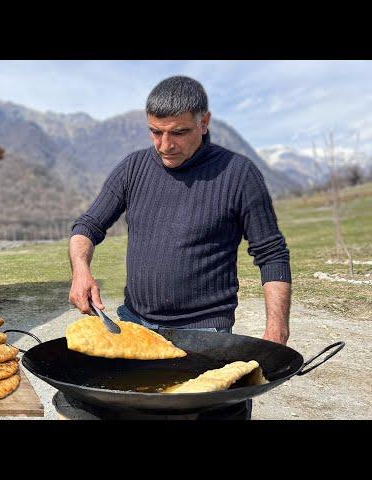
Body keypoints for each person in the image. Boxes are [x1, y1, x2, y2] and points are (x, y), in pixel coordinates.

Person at [68, 76, 292, 419]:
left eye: (178, 132)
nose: (164, 144)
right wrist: (81, 269)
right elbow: (88, 226)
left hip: (205, 335)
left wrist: (276, 329)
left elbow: (271, 253)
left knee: (211, 414)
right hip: (134, 325)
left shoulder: (239, 174)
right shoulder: (133, 168)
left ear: (204, 122)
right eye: (155, 132)